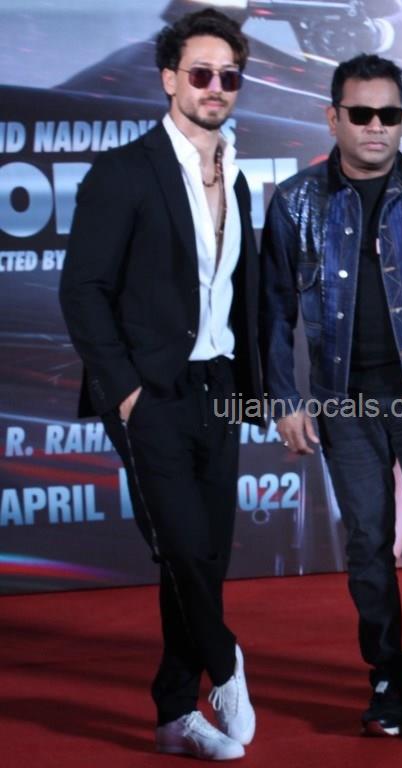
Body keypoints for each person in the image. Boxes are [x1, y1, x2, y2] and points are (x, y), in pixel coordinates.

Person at [260, 54, 402, 746]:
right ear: (333, 117)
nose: (375, 126)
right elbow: (273, 311)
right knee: (367, 544)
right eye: (360, 113)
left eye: (388, 114)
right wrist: (284, 399)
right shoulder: (295, 201)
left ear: (401, 120)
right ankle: (387, 677)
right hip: (344, 405)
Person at [60, 9, 262, 761]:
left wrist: (252, 388)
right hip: (150, 391)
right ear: (170, 79)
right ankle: (225, 661)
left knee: (205, 554)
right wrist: (125, 391)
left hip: (220, 385)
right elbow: (83, 290)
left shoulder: (236, 176)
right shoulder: (124, 171)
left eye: (229, 75)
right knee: (179, 545)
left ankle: (176, 714)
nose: (216, 87)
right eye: (201, 73)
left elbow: (239, 294)